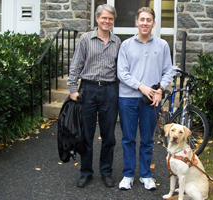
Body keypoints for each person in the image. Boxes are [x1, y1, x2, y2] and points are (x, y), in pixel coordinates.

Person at [117, 7, 173, 191]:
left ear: (154, 23)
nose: (145, 23)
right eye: (142, 19)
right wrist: (141, 86)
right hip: (128, 98)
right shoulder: (126, 45)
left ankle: (146, 175)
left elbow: (168, 71)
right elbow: (122, 73)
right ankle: (128, 174)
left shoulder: (162, 45)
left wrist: (161, 89)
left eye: (148, 20)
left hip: (151, 101)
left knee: (147, 139)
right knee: (128, 138)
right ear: (137, 22)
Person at [67, 4, 121, 188]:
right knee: (86, 135)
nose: (107, 21)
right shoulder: (85, 39)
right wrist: (73, 88)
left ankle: (106, 172)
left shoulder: (117, 42)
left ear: (113, 21)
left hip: (109, 91)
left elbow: (120, 70)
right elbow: (76, 65)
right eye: (104, 18)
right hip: (88, 90)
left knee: (109, 136)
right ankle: (86, 172)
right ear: (97, 19)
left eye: (110, 19)